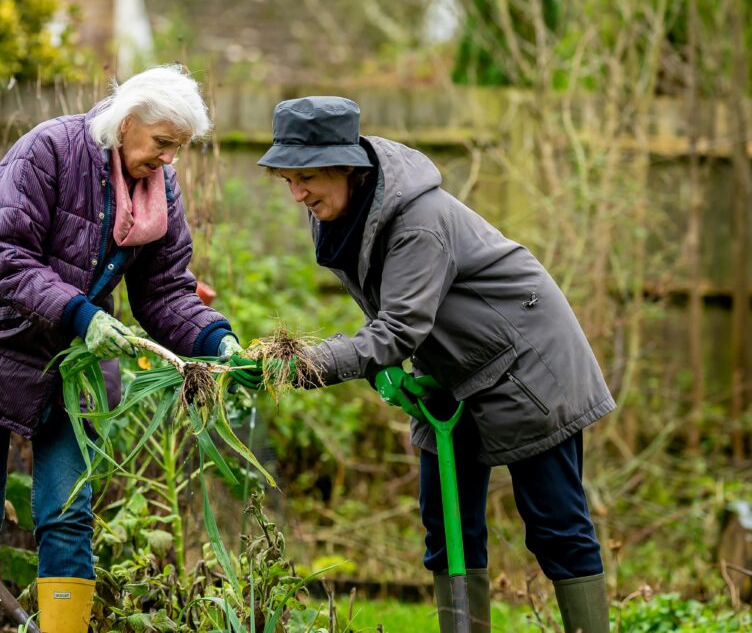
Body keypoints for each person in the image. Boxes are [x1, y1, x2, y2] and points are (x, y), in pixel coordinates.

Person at [230, 96, 614, 633]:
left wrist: (306, 363)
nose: (298, 194)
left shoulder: (418, 221)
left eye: (308, 178)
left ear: (348, 167)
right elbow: (393, 314)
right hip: (450, 374)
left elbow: (398, 328)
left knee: (556, 525)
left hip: (526, 365)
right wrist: (383, 366)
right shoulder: (342, 215)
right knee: (447, 525)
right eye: (288, 180)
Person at [0, 65, 243, 633]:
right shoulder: (48, 151)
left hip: (74, 365)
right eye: (163, 144)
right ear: (126, 123)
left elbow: (166, 290)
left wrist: (219, 341)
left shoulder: (158, 189)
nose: (169, 160)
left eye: (179, 149)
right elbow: (4, 254)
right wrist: (81, 313)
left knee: (67, 512)